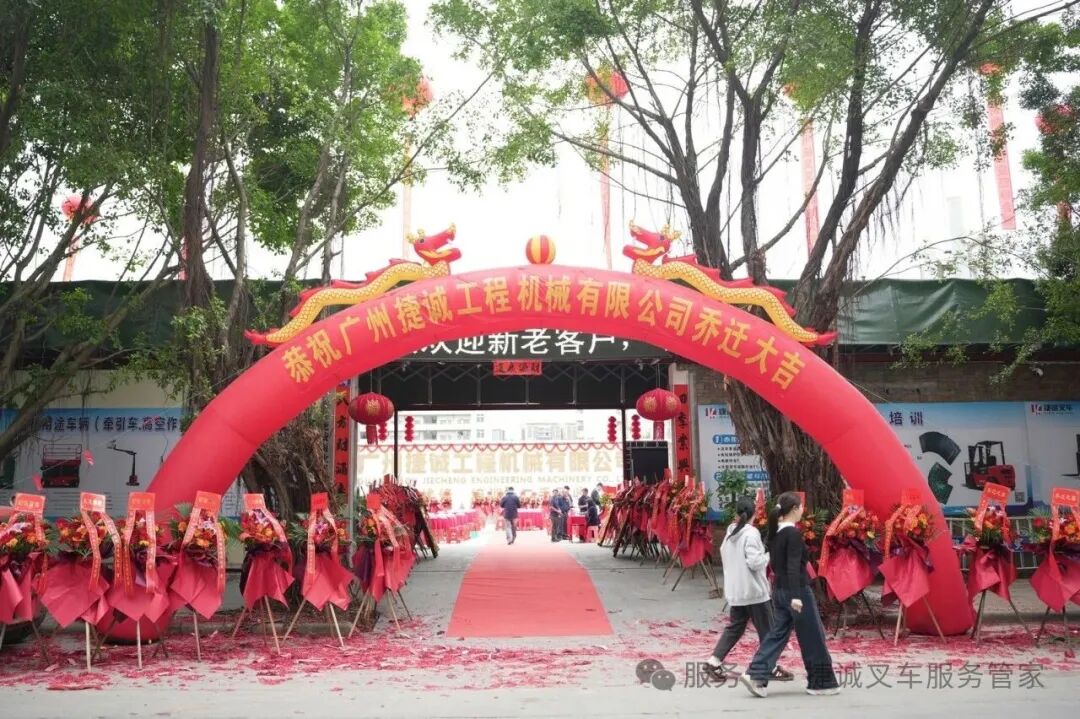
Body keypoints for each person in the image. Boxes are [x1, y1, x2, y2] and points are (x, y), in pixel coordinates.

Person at [741, 492, 840, 698]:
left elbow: (777, 564)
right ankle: (821, 683)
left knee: (777, 635)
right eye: (801, 506)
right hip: (797, 592)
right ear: (794, 509)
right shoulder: (793, 534)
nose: (803, 510)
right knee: (813, 636)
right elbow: (794, 566)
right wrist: (796, 596)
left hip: (779, 590)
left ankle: (755, 674)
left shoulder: (775, 533)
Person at [703, 498, 792, 683]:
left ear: (736, 513)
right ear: (755, 513)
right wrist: (768, 555)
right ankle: (769, 667)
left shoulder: (730, 532)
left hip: (736, 591)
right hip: (754, 591)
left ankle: (713, 661)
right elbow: (755, 562)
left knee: (735, 628)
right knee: (768, 631)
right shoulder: (751, 533)